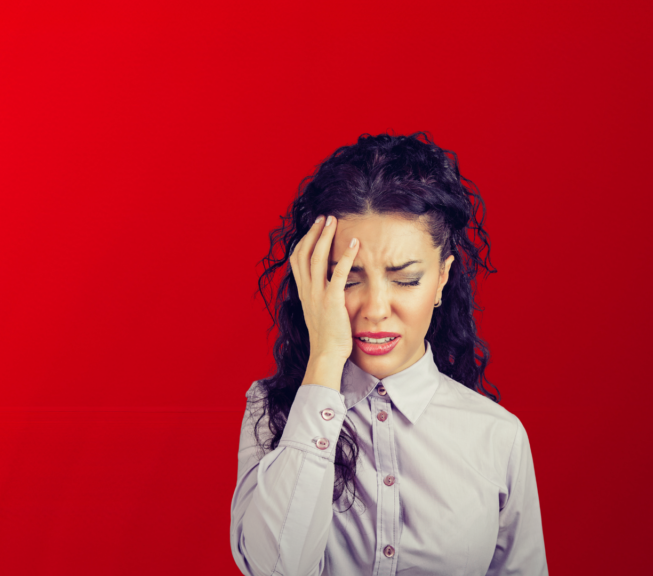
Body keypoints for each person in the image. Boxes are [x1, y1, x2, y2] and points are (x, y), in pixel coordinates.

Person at [230, 133, 548, 575]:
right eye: (347, 279)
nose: (375, 309)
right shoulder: (272, 412)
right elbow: (275, 568)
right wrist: (325, 360)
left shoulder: (498, 436)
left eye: (406, 279)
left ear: (441, 278)